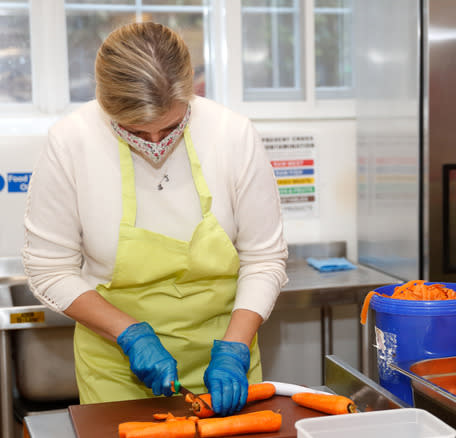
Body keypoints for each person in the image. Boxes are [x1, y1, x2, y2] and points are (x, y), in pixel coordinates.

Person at [22, 22, 288, 414]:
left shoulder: (232, 135)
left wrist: (235, 347)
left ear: (191, 93)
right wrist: (128, 333)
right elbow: (49, 269)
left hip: (226, 361)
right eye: (134, 131)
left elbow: (263, 258)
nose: (154, 144)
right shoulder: (71, 142)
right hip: (117, 370)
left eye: (169, 127)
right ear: (105, 104)